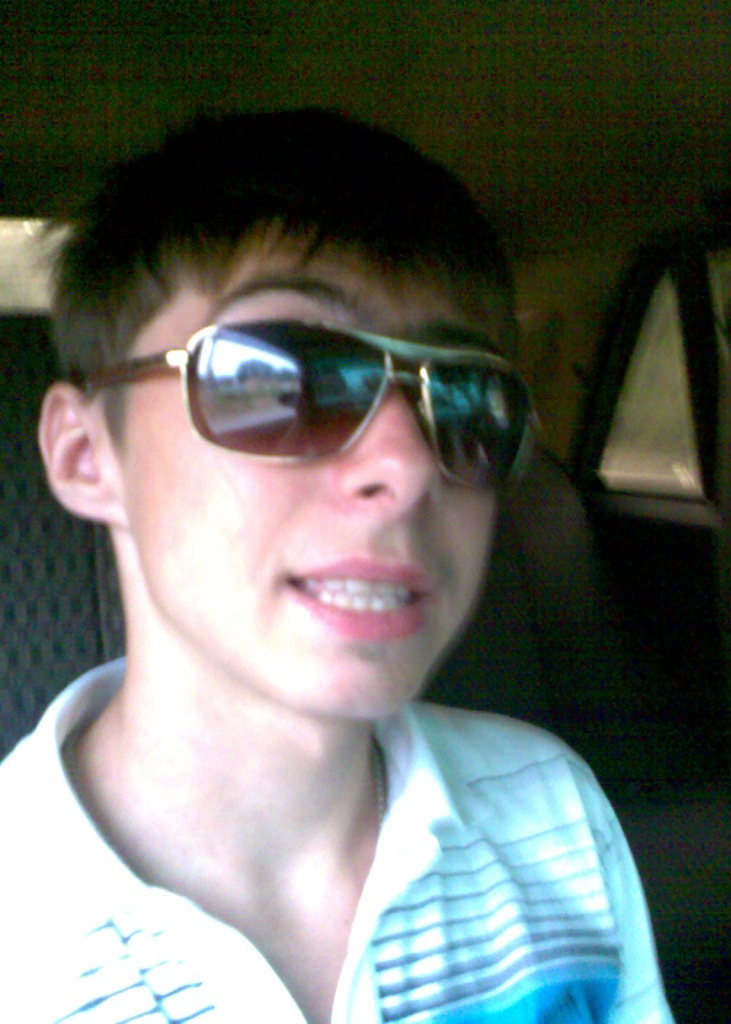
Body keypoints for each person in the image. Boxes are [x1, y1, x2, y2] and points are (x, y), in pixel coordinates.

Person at [0, 109, 673, 1023]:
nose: (407, 464)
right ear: (88, 456)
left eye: (465, 399)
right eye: (281, 379)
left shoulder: (551, 814)